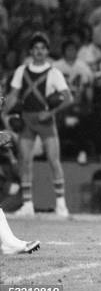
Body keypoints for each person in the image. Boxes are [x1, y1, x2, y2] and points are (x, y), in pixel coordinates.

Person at [3, 33, 74, 217]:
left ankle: (61, 205)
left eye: (43, 48)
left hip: (46, 121)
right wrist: (3, 113)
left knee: (53, 160)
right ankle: (27, 205)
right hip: (27, 120)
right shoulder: (21, 70)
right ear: (31, 52)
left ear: (47, 52)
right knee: (25, 162)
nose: (39, 52)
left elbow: (68, 98)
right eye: (36, 49)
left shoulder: (54, 73)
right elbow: (13, 96)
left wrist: (50, 113)